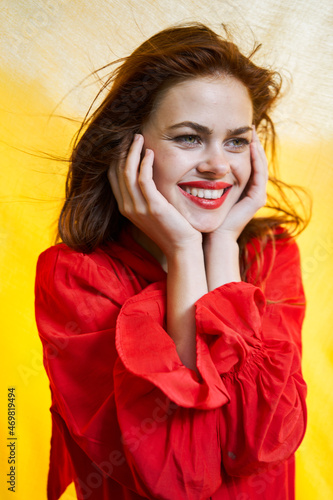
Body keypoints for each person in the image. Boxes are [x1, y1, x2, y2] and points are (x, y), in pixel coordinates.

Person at [35, 22, 310, 500]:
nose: (218, 166)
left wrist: (223, 243)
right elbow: (182, 477)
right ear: (129, 147)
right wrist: (185, 253)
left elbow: (261, 442)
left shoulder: (270, 255)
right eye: (188, 138)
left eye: (236, 140)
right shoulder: (75, 277)